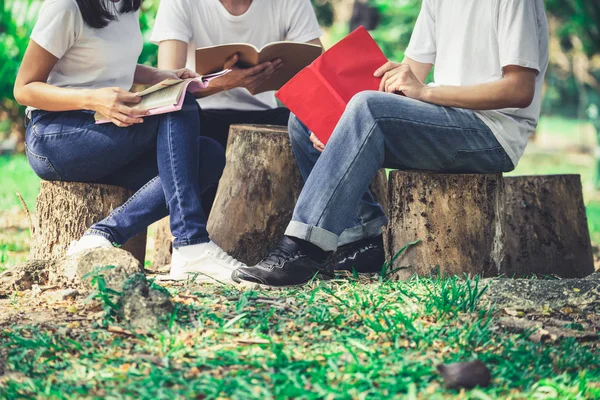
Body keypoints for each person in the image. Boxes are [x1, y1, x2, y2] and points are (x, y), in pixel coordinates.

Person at [232, 0, 550, 287]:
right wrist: (335, 120)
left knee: (368, 106)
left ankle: (303, 248)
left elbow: (519, 90)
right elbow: (406, 74)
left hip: (492, 133)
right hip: (443, 118)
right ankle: (365, 239)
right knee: (306, 118)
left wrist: (426, 93)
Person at [14, 0, 245, 284]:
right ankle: (191, 242)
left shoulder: (127, 5)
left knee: (208, 154)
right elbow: (24, 89)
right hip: (55, 137)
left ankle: (102, 234)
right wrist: (92, 98)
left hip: (106, 130)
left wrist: (159, 76)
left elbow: (106, 60)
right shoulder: (66, 6)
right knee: (180, 107)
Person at [150, 0, 323, 215]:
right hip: (201, 113)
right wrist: (224, 82)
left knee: (308, 129)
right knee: (185, 123)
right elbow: (167, 90)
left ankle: (316, 230)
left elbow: (318, 72)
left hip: (266, 114)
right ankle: (197, 234)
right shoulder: (180, 2)